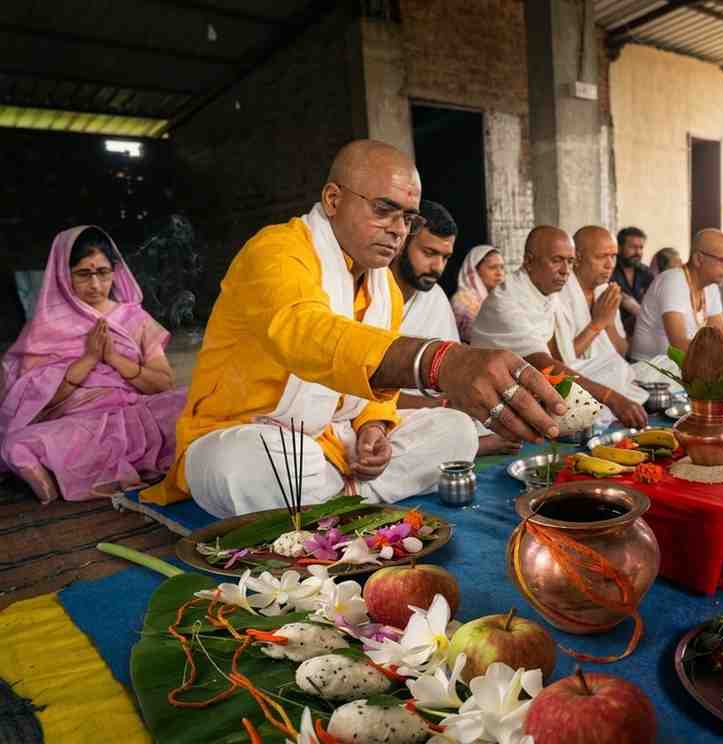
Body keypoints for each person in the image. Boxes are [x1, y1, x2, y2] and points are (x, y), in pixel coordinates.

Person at [144, 140, 566, 517]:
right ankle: (347, 496)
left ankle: (335, 500)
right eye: (383, 210)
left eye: (407, 218)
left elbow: (374, 394)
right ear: (333, 199)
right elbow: (308, 333)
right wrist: (439, 361)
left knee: (454, 431)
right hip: (249, 435)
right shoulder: (276, 251)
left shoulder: (385, 289)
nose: (398, 230)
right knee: (244, 467)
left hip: (336, 440)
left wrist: (373, 429)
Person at [0, 226, 187, 504]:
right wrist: (88, 359)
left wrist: (114, 359)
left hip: (137, 414)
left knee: (187, 401)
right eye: (83, 274)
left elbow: (163, 384)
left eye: (103, 272)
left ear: (115, 271)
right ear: (63, 275)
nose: (96, 284)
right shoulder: (44, 329)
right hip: (78, 424)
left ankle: (70, 473)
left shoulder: (135, 318)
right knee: (17, 444)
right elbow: (32, 403)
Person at [470, 226, 648, 430]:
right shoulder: (506, 302)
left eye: (570, 261)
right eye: (556, 260)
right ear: (529, 261)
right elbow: (544, 365)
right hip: (502, 395)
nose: (565, 271)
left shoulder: (548, 292)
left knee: (614, 367)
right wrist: (610, 397)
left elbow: (559, 358)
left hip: (534, 384)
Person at [390, 200, 520, 456]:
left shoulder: (435, 296)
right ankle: (472, 445)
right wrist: (442, 405)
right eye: (429, 253)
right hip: (381, 411)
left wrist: (464, 399)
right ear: (401, 243)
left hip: (432, 408)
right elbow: (363, 392)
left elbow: (451, 372)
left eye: (445, 257)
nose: (438, 267)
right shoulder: (371, 293)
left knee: (493, 412)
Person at [552, 226, 648, 409]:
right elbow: (560, 362)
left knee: (665, 365)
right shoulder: (559, 294)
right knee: (617, 370)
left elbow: (622, 351)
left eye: (613, 256)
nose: (610, 265)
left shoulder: (604, 291)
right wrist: (597, 323)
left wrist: (608, 322)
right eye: (601, 257)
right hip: (574, 376)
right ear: (578, 258)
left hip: (608, 371)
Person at [630, 228, 723, 361]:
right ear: (698, 259)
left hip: (684, 365)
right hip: (651, 367)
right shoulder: (673, 281)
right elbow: (679, 344)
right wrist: (722, 363)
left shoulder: (711, 286)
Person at [450, 244, 505, 343]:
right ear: (474, 271)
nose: (499, 273)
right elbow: (478, 335)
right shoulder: (462, 300)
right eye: (492, 267)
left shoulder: (501, 298)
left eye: (502, 267)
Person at [610, 226, 654, 336]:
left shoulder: (646, 273)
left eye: (641, 248)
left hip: (642, 331)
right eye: (633, 247)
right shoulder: (609, 270)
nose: (638, 252)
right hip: (614, 331)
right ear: (619, 247)